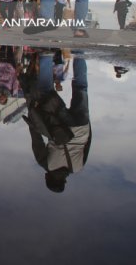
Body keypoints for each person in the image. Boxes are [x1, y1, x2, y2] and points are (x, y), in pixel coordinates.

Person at [22, 50, 91, 193]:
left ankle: (79, 52)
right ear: (48, 178)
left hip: (82, 128)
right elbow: (37, 138)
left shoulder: (79, 167)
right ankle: (46, 56)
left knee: (81, 87)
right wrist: (33, 112)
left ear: (64, 181)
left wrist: (86, 124)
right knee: (46, 93)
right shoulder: (47, 164)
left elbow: (88, 142)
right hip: (60, 125)